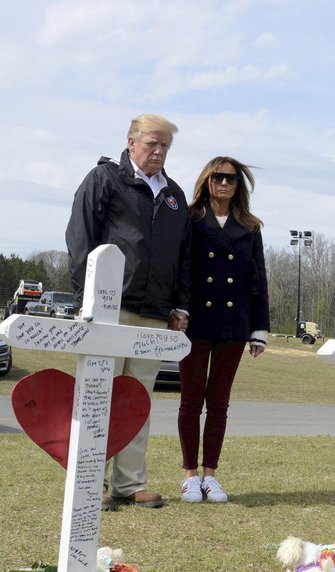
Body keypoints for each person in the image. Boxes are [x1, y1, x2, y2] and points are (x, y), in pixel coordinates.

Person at [66, 114, 192, 509]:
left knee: (138, 399)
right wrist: (86, 297)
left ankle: (130, 483)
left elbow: (183, 257)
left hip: (154, 313)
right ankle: (92, 481)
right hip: (109, 307)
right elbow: (80, 237)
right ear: (131, 142)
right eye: (152, 144)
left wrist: (180, 305)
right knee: (99, 395)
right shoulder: (104, 179)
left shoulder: (174, 195)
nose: (158, 152)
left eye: (165, 146)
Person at [177, 157, 269, 503]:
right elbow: (183, 269)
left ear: (238, 186)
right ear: (206, 180)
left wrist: (260, 328)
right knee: (190, 400)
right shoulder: (190, 219)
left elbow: (258, 278)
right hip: (195, 322)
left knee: (219, 403)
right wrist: (179, 309)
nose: (224, 183)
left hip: (234, 323)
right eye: (218, 177)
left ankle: (210, 475)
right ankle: (189, 475)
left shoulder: (250, 227)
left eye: (231, 179)